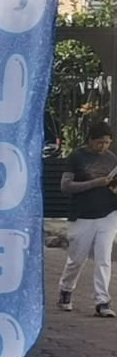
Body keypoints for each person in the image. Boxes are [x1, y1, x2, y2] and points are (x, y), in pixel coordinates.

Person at [59, 123, 117, 317]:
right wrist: (95, 183)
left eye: (107, 143)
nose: (103, 147)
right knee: (77, 259)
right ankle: (66, 289)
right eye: (100, 142)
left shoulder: (111, 158)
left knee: (104, 258)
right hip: (82, 214)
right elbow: (66, 186)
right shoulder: (77, 157)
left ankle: (102, 300)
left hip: (108, 213)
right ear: (90, 139)